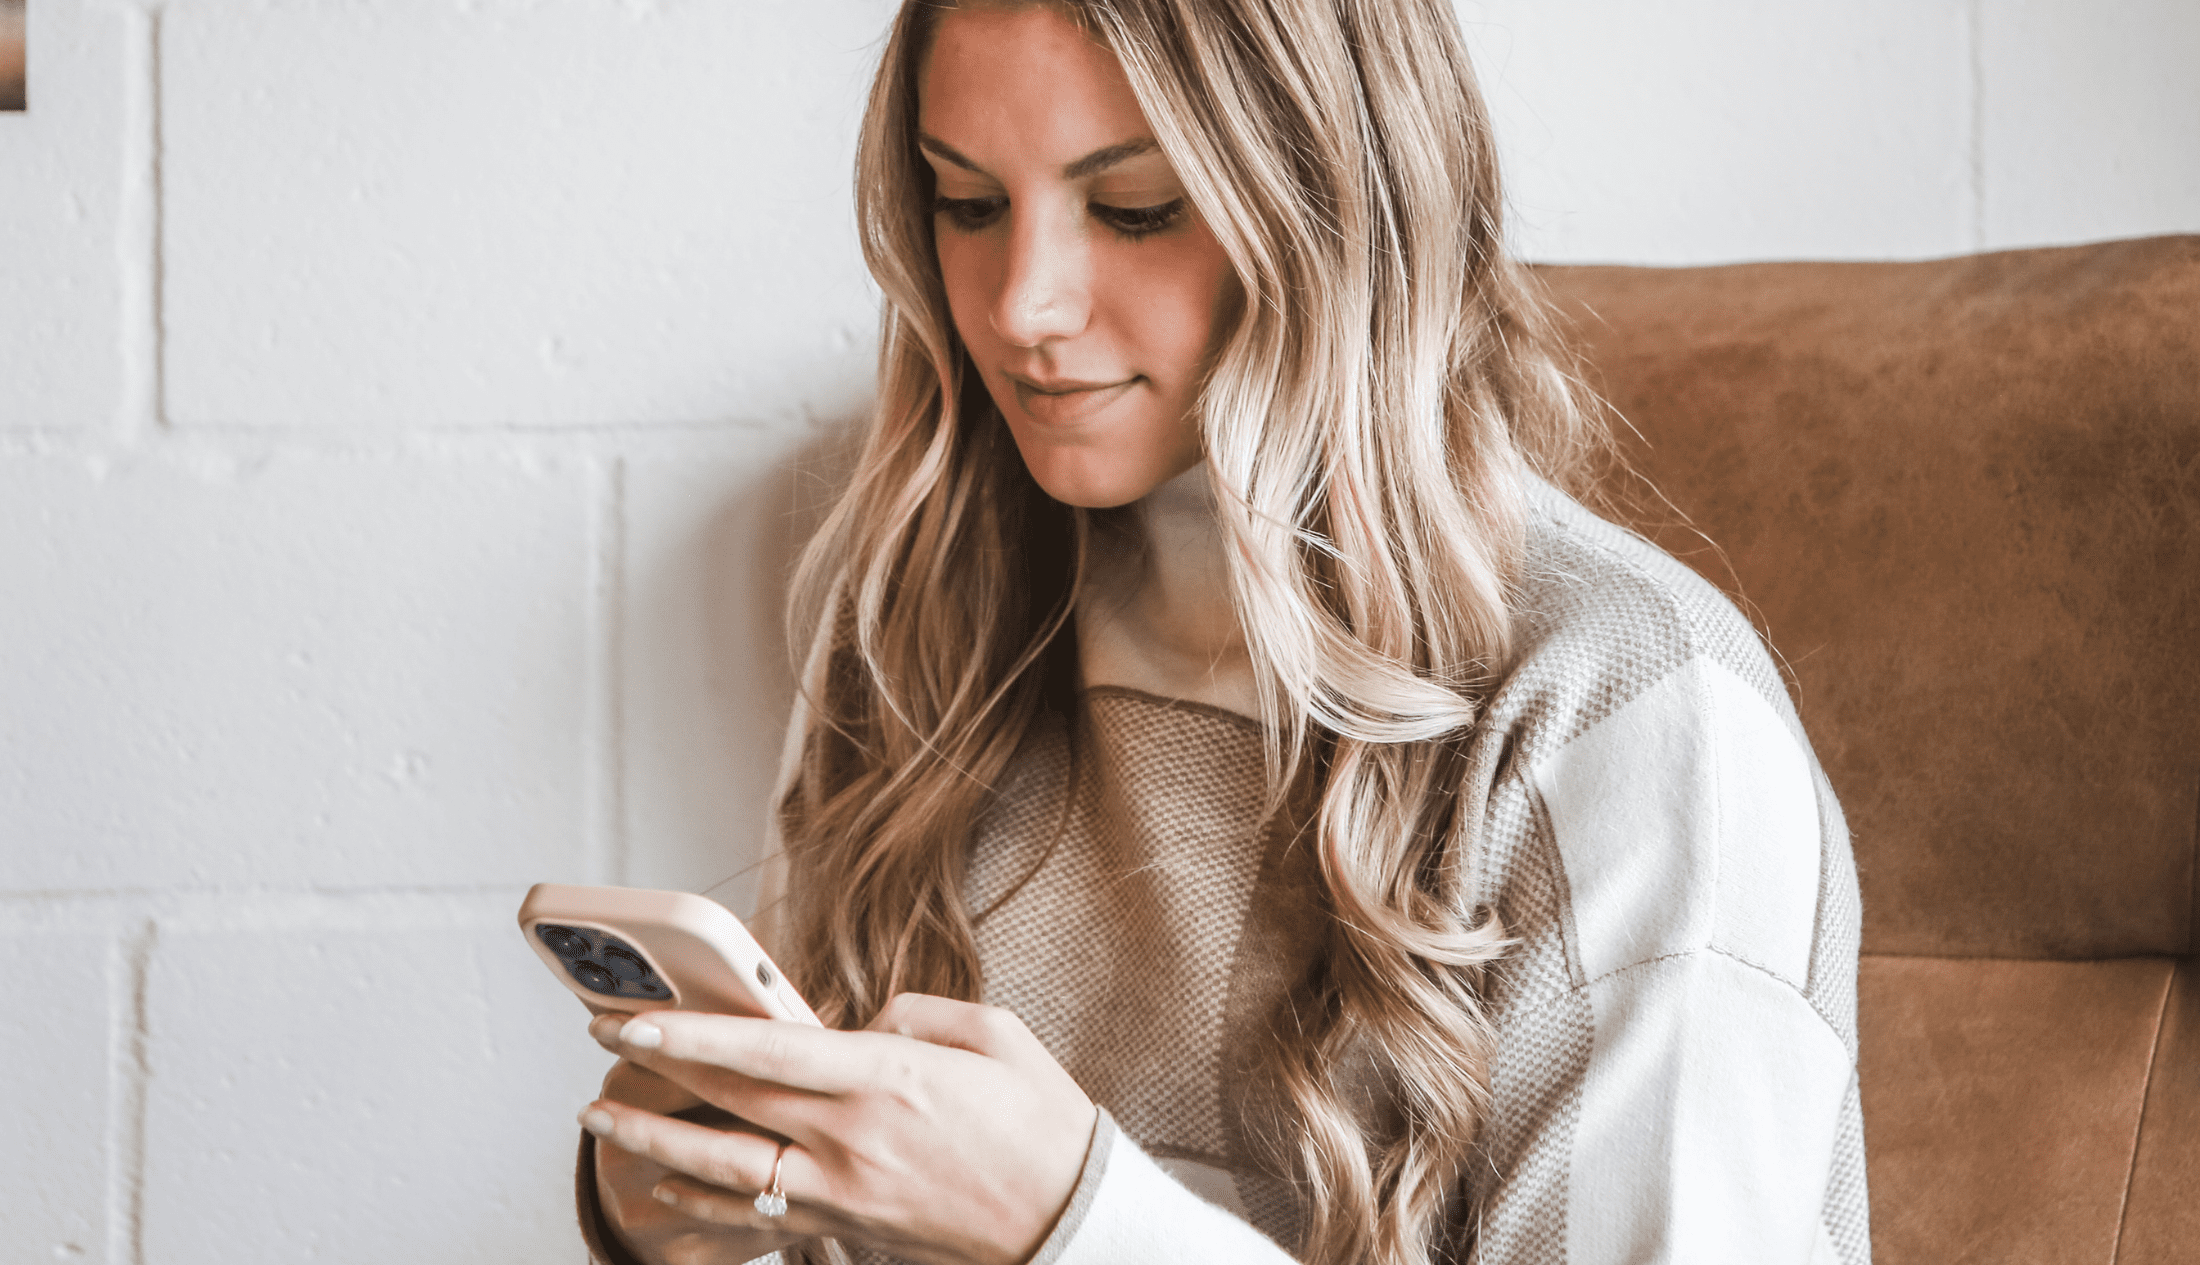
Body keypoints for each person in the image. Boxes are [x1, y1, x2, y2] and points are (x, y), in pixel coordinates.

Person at [572, 1, 1867, 1262]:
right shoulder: (927, 615)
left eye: (1134, 207)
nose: (1025, 304)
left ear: (1335, 202)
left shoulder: (1637, 712)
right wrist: (695, 1206)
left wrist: (1074, 1225)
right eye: (967, 202)